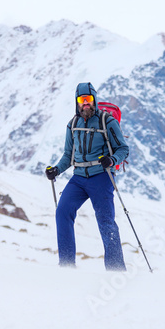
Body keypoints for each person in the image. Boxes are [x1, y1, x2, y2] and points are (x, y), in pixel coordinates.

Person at [45, 82, 129, 271]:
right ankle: (66, 266)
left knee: (106, 221)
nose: (86, 104)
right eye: (82, 100)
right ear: (77, 102)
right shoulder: (72, 124)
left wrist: (112, 159)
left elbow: (123, 148)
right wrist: (57, 170)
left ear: (95, 100)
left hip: (101, 176)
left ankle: (116, 270)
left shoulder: (107, 122)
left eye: (89, 100)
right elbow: (68, 155)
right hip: (79, 178)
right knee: (62, 212)